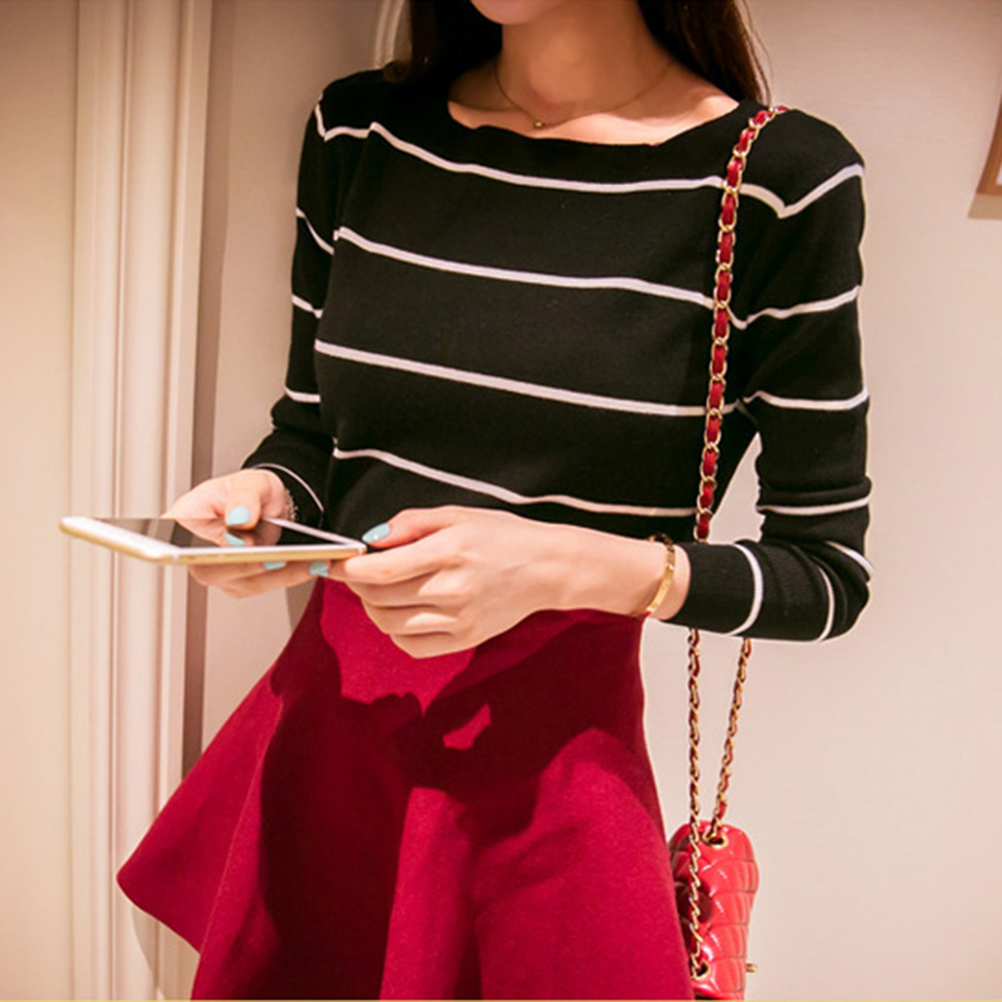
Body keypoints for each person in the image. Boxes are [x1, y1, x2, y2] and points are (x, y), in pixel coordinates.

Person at [118, 0, 871, 997]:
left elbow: (826, 576)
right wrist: (265, 500)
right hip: (328, 750)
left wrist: (558, 563)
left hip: (550, 795)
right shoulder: (361, 130)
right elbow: (311, 434)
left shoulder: (775, 179)